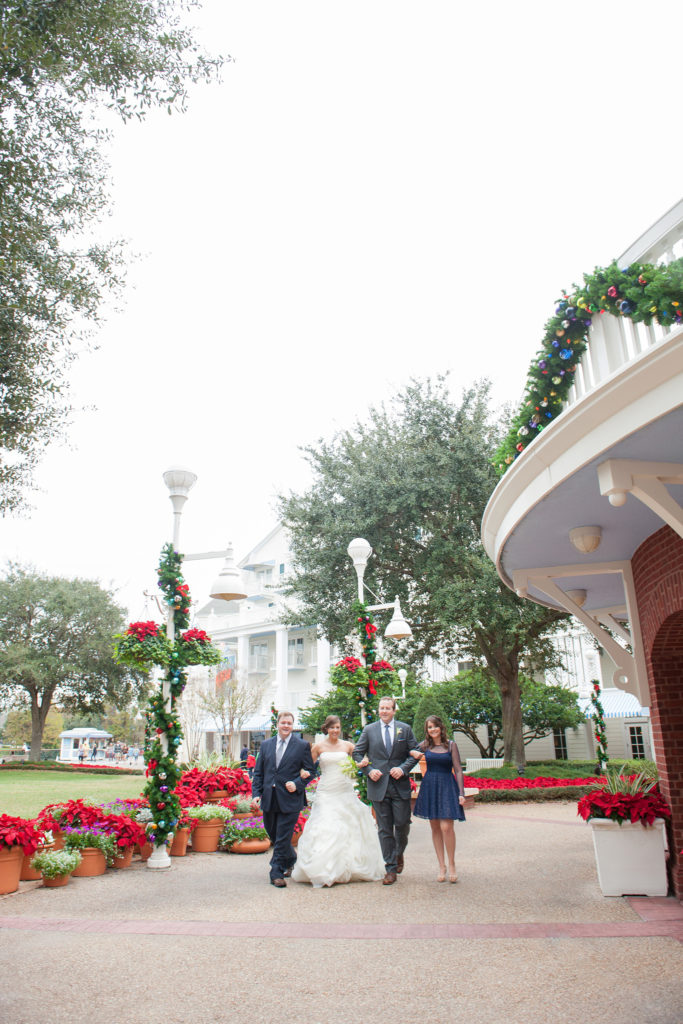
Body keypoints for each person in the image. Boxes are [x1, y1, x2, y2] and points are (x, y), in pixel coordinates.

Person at [291, 715, 385, 888]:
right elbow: (307, 766)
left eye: (338, 727)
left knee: (347, 825)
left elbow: (359, 760)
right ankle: (324, 868)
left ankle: (347, 866)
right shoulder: (318, 747)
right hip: (326, 791)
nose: (335, 730)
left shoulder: (348, 746)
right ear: (326, 729)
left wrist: (361, 763)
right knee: (326, 826)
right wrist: (303, 772)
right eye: (332, 727)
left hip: (344, 790)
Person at [353, 696, 419, 885]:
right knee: (384, 828)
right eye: (381, 708)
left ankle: (398, 853)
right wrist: (368, 770)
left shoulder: (404, 729)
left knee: (403, 824)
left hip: (399, 785)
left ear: (394, 710)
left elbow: (414, 752)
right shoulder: (369, 730)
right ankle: (390, 868)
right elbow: (357, 753)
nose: (384, 711)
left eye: (387, 708)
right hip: (378, 785)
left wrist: (403, 769)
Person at [252, 711, 316, 888]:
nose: (286, 726)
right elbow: (259, 773)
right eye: (283, 723)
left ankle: (276, 872)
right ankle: (291, 859)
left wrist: (297, 783)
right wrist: (256, 794)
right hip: (269, 797)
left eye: (289, 723)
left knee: (282, 837)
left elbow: (311, 771)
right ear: (277, 725)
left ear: (292, 726)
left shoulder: (302, 746)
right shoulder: (266, 745)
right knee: (273, 833)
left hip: (290, 799)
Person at [410, 715, 466, 883]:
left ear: (441, 727)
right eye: (429, 727)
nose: (432, 729)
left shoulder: (451, 745)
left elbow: (458, 769)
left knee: (446, 827)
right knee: (435, 828)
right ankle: (442, 866)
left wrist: (461, 793)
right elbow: (408, 750)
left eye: (435, 726)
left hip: (447, 785)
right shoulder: (425, 745)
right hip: (430, 786)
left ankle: (452, 864)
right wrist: (412, 752)